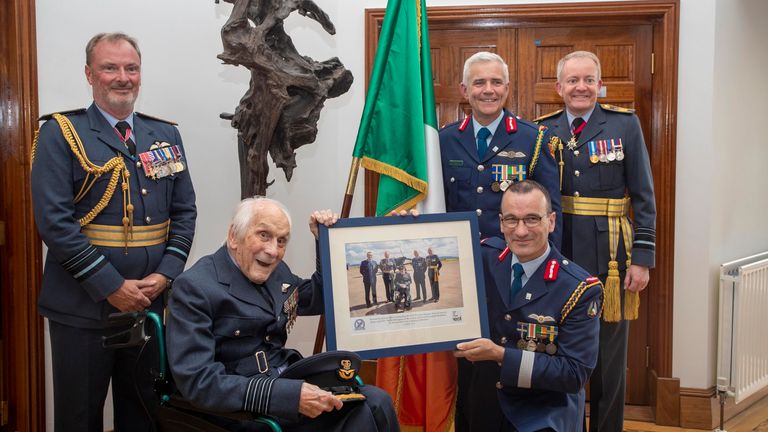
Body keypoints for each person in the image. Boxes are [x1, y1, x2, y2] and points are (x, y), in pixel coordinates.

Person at [31, 32, 197, 431]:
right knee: (79, 418)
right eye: (110, 68)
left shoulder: (165, 135)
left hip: (148, 305)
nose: (122, 77)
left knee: (144, 414)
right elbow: (55, 223)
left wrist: (164, 275)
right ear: (90, 74)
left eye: (131, 68)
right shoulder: (61, 133)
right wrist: (111, 286)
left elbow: (184, 211)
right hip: (82, 307)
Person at [166, 197, 398, 431]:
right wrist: (288, 396)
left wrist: (325, 240)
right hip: (242, 410)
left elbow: (319, 298)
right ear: (234, 236)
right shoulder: (195, 287)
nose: (272, 251)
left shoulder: (277, 272)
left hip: (285, 381)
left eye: (282, 241)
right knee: (358, 417)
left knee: (378, 401)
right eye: (263, 235)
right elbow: (200, 382)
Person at [535, 51, 656, 431]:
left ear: (600, 85)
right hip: (556, 252)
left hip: (612, 260)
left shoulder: (625, 125)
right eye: (572, 80)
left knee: (608, 356)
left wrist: (643, 258)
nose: (581, 87)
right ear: (559, 88)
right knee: (555, 348)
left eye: (589, 79)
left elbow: (644, 196)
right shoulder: (543, 130)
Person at [454, 180, 602, 432]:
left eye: (532, 219)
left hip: (543, 413)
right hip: (482, 404)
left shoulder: (579, 289)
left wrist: (501, 356)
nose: (520, 231)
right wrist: (404, 224)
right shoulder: (483, 258)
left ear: (551, 221)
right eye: (511, 220)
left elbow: (574, 374)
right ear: (501, 223)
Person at [439, 51, 561, 243]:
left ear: (506, 88)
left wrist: (546, 267)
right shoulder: (445, 139)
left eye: (496, 82)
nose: (488, 90)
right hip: (462, 255)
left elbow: (551, 209)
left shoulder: (533, 138)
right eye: (479, 83)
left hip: (513, 256)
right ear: (464, 90)